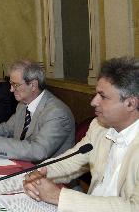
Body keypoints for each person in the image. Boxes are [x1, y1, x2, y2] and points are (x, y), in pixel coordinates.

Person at [23, 57, 139, 211]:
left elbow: (134, 206)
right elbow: (70, 161)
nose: (93, 102)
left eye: (103, 96)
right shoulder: (99, 127)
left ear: (130, 103)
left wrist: (58, 196)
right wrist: (38, 173)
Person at [0, 60, 75, 162]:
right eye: (11, 84)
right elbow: (6, 128)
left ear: (33, 85)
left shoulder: (57, 112)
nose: (11, 89)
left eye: (15, 85)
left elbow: (39, 151)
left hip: (52, 180)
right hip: (26, 168)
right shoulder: (22, 105)